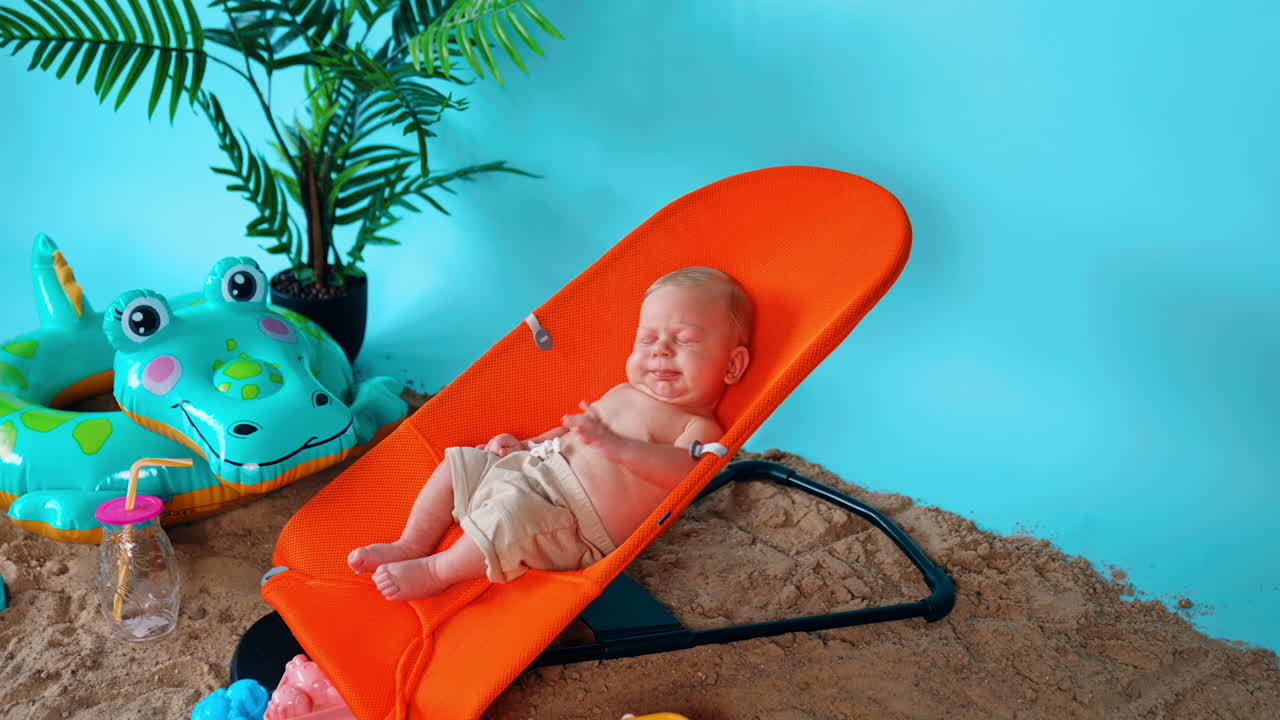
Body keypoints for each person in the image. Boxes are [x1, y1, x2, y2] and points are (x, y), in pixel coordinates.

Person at [348, 267, 753, 600]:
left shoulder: (698, 427)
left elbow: (685, 475)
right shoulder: (623, 391)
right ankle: (413, 543)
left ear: (733, 366)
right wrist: (528, 445)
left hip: (573, 524)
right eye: (648, 339)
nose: (660, 351)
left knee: (510, 518)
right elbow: (568, 433)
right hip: (536, 470)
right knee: (459, 463)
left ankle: (438, 571)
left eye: (684, 340)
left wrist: (620, 448)